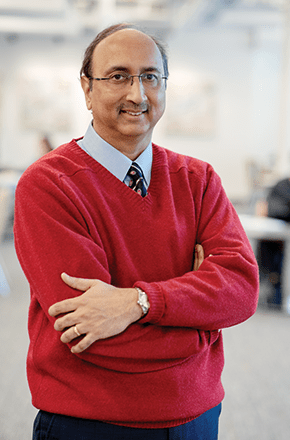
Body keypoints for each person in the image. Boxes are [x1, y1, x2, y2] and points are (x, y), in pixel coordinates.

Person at [14, 23, 259, 440]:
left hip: (197, 418)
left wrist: (140, 303)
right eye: (118, 76)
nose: (137, 94)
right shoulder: (48, 184)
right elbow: (87, 330)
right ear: (87, 89)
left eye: (150, 77)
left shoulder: (198, 180)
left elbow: (240, 289)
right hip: (91, 423)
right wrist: (201, 326)